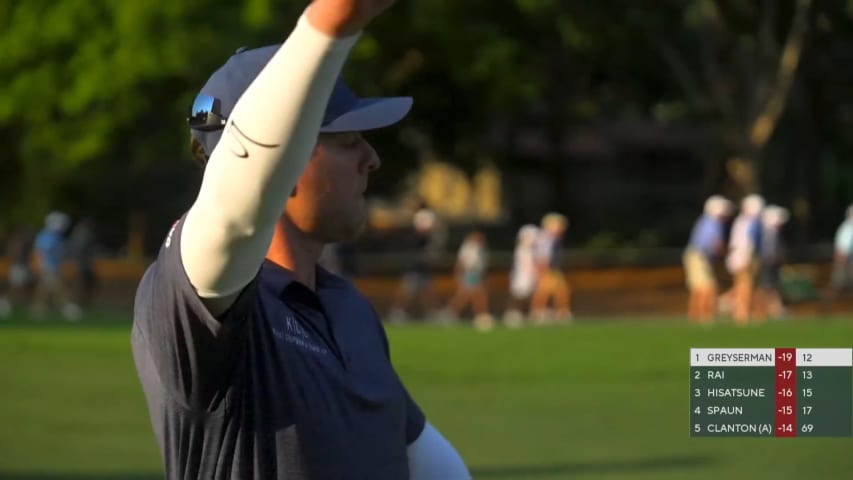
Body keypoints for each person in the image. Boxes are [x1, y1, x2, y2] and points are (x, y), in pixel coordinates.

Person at [130, 2, 469, 479]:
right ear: (283, 165)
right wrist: (327, 27)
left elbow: (423, 460)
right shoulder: (199, 302)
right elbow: (233, 211)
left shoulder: (347, 307)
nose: (371, 158)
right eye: (348, 140)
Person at [682, 195, 732, 324]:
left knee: (699, 288)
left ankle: (695, 316)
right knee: (708, 287)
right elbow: (714, 243)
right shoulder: (712, 222)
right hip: (698, 256)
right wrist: (727, 253)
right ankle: (705, 317)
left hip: (696, 255)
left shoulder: (706, 220)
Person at [389, 206, 439, 322]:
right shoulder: (414, 238)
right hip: (413, 269)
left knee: (427, 292)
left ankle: (431, 313)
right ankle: (397, 311)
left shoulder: (426, 238)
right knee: (407, 292)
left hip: (422, 269)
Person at [31, 211, 81, 321]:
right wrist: (38, 266)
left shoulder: (57, 237)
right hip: (48, 267)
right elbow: (41, 253)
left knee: (44, 290)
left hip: (54, 267)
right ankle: (68, 309)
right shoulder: (46, 237)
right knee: (58, 289)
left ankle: (38, 310)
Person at [723, 194, 764, 325]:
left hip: (737, 257)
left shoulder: (741, 221)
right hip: (743, 257)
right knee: (745, 287)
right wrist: (746, 259)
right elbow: (748, 243)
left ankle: (739, 312)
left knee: (741, 285)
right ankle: (741, 314)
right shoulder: (750, 222)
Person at [444, 231, 493, 331]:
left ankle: (452, 313)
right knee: (474, 295)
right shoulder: (467, 247)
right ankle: (481, 315)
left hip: (476, 274)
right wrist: (459, 275)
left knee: (470, 295)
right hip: (469, 273)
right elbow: (462, 262)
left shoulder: (481, 249)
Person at [529, 212, 572, 324]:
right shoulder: (546, 238)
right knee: (543, 292)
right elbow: (541, 256)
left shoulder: (554, 239)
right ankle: (537, 312)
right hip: (546, 268)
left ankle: (562, 312)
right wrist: (541, 271)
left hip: (553, 269)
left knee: (562, 291)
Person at [753, 205, 790, 321]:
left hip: (770, 263)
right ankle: (761, 312)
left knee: (771, 287)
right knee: (765, 288)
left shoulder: (770, 231)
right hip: (768, 264)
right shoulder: (769, 232)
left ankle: (775, 310)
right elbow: (768, 251)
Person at [502, 224, 539, 328]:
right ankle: (512, 314)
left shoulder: (532, 249)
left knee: (527, 296)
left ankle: (523, 314)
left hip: (529, 276)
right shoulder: (522, 248)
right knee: (517, 295)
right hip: (521, 276)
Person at [0, 225, 36, 319]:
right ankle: (5, 304)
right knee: (16, 287)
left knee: (21, 288)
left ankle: (9, 304)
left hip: (22, 268)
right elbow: (11, 257)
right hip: (15, 268)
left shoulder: (25, 246)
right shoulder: (16, 244)